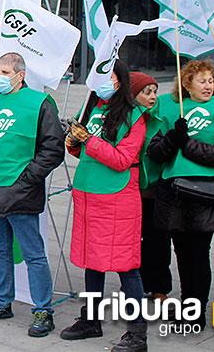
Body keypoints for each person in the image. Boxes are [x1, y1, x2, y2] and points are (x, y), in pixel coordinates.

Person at [0, 52, 64, 338]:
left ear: (20, 75)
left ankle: (43, 309)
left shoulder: (39, 104)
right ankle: (1, 300)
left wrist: (27, 178)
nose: (0, 78)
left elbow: (53, 148)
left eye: (6, 73)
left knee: (33, 253)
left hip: (19, 191)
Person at [61, 61, 149, 351]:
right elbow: (81, 150)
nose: (101, 81)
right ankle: (91, 320)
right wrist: (74, 141)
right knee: (92, 261)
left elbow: (122, 160)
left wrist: (89, 141)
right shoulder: (92, 107)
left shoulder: (134, 115)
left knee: (126, 267)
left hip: (118, 199)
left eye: (107, 76)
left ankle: (137, 335)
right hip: (88, 194)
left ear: (120, 81)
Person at [147, 59, 214, 331]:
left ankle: (195, 313)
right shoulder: (170, 109)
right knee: (181, 253)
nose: (208, 86)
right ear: (187, 84)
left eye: (211, 81)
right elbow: (155, 152)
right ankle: (188, 308)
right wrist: (172, 138)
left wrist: (186, 143)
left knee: (198, 255)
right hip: (174, 195)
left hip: (207, 196)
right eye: (202, 81)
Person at [131, 72, 173, 304]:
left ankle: (159, 287)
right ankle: (134, 282)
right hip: (129, 190)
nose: (153, 97)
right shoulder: (125, 119)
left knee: (158, 241)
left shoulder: (160, 119)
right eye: (147, 92)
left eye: (155, 91)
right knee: (132, 240)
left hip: (156, 189)